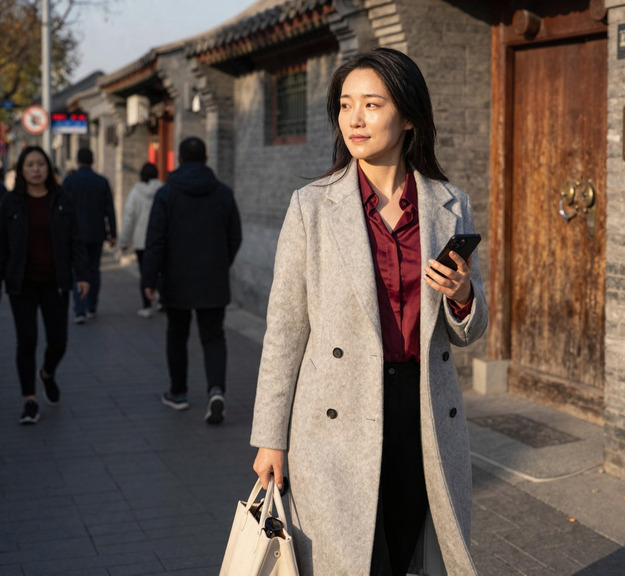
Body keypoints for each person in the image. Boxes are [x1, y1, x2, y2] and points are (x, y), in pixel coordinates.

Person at [250, 47, 488, 576]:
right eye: (345, 105)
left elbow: (470, 330)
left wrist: (461, 295)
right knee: (349, 559)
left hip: (421, 410)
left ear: (407, 116)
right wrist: (270, 436)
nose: (355, 119)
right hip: (336, 413)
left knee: (411, 552)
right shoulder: (312, 206)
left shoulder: (449, 203)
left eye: (372, 105)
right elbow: (285, 330)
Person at [142, 137, 241, 425]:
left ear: (180, 160)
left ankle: (179, 393)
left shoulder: (167, 194)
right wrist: (221, 263)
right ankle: (216, 391)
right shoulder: (223, 193)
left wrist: (149, 278)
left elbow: (155, 240)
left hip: (176, 280)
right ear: (206, 159)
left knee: (177, 335)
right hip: (213, 280)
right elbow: (235, 236)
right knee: (213, 337)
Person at [0, 146, 89, 424]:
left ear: (48, 168)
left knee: (58, 341)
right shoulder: (10, 203)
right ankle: (30, 400)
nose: (36, 169)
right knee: (26, 341)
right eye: (30, 165)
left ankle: (47, 373)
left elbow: (76, 239)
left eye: (40, 164)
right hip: (22, 283)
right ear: (21, 170)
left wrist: (83, 274)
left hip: (55, 281)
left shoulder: (62, 199)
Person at [61, 148, 115, 324]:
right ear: (93, 160)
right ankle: (92, 306)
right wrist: (112, 233)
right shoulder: (101, 181)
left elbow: (62, 210)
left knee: (78, 270)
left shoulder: (70, 181)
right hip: (97, 233)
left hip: (74, 234)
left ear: (77, 161)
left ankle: (80, 309)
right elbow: (110, 210)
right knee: (93, 269)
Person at [118, 162, 162, 318]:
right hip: (161, 240)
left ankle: (147, 306)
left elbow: (129, 217)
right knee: (161, 270)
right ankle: (162, 300)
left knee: (146, 273)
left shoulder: (135, 193)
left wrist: (123, 241)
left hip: (142, 241)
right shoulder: (163, 190)